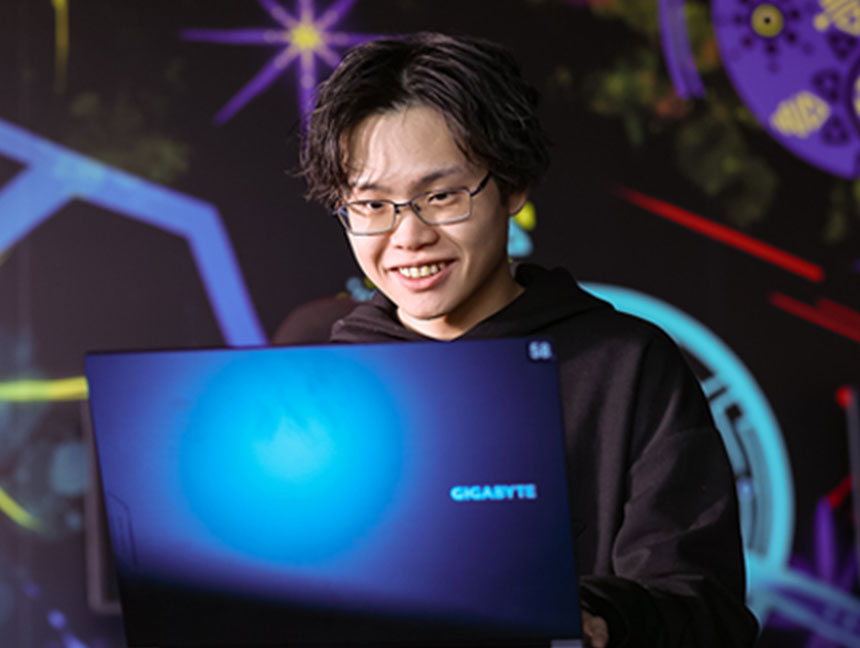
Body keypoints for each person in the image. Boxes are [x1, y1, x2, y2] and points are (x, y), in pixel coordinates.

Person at [297, 32, 759, 647]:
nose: (407, 236)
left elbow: (709, 612)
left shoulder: (627, 365)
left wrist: (598, 618)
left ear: (513, 187)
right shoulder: (320, 385)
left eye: (441, 196)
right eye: (372, 205)